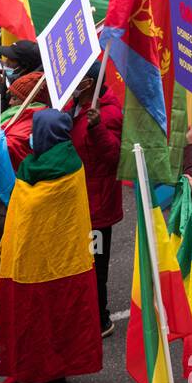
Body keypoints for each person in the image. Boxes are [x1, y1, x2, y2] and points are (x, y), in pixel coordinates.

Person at [0, 110, 100, 383]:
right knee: (36, 319)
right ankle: (37, 372)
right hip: (35, 260)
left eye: (35, 130)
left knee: (53, 319)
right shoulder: (41, 161)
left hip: (59, 266)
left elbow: (35, 204)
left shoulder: (65, 168)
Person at [67, 67, 123, 336]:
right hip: (81, 198)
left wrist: (97, 127)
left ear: (89, 82)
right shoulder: (77, 103)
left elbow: (114, 157)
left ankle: (101, 319)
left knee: (95, 264)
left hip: (97, 205)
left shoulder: (107, 113)